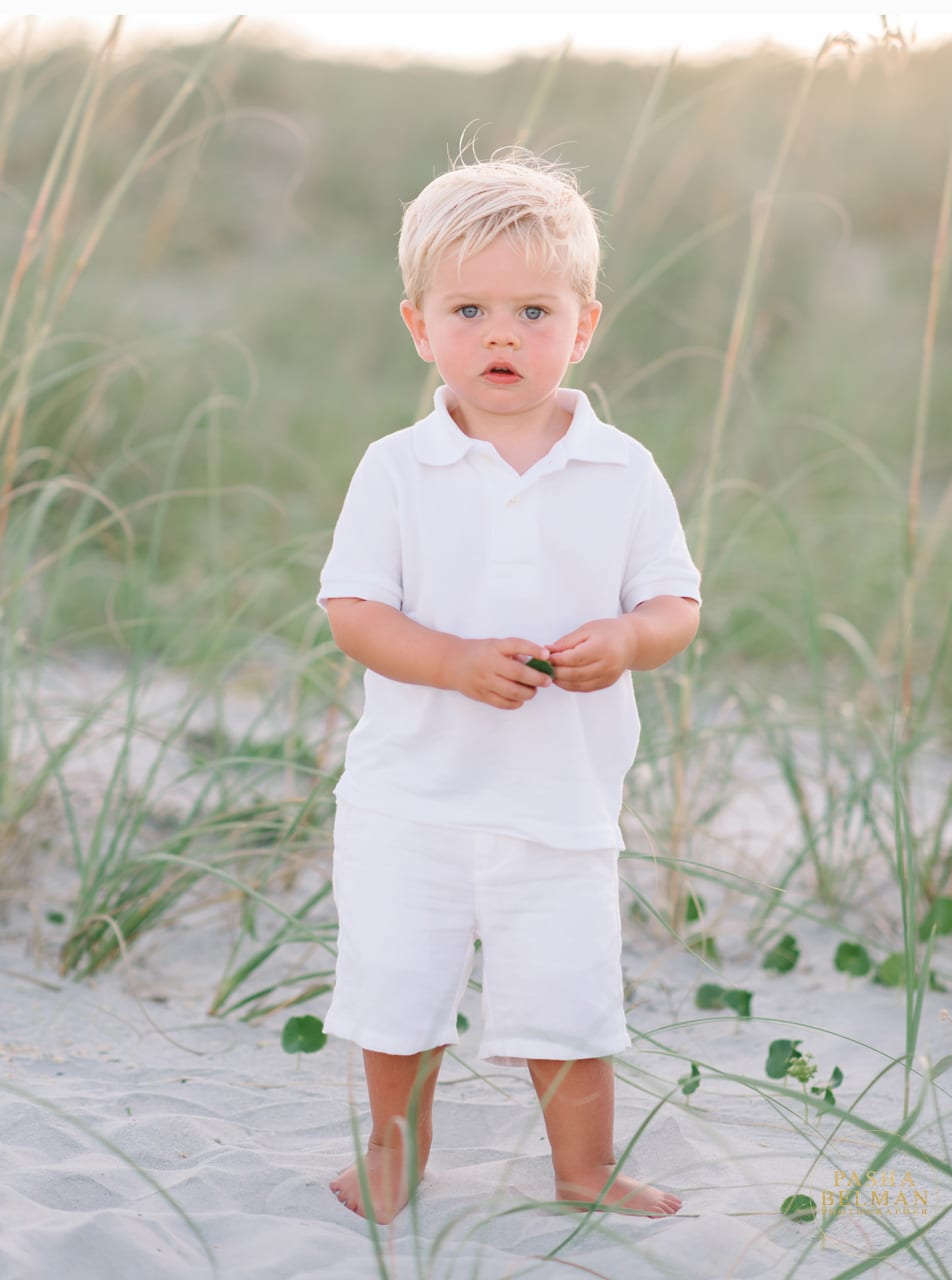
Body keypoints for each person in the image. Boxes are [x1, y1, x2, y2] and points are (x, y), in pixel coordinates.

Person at [317, 150, 701, 1225]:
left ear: (582, 327)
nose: (500, 333)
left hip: (559, 800)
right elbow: (353, 610)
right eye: (470, 307)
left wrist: (626, 638)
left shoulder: (621, 468)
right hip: (412, 797)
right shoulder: (397, 467)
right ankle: (394, 1159)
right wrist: (449, 660)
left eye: (533, 309)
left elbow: (677, 605)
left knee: (567, 1000)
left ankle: (583, 1166)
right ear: (418, 324)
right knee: (400, 994)